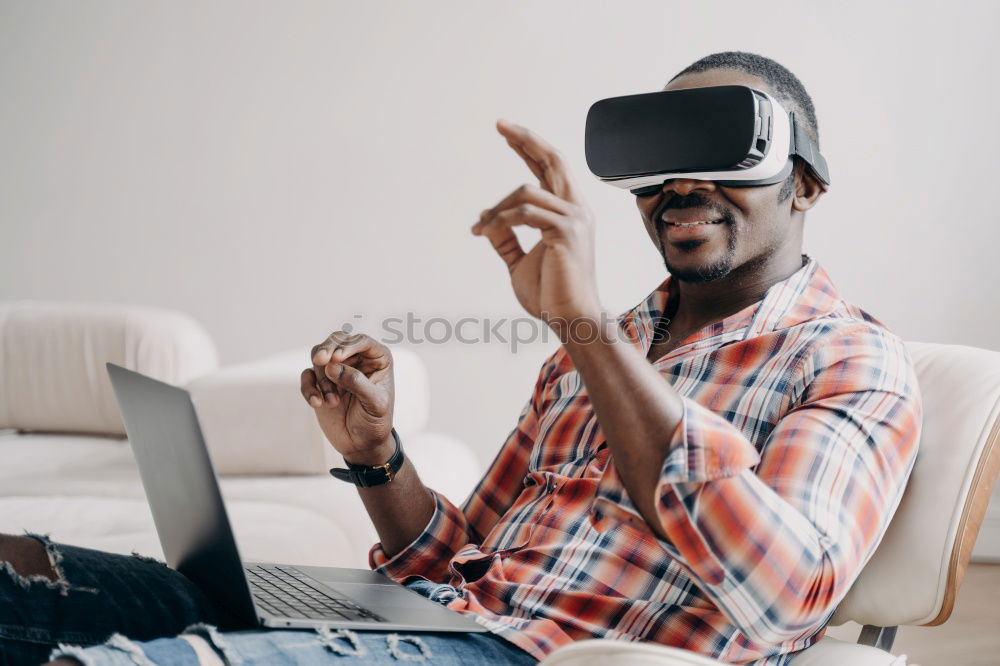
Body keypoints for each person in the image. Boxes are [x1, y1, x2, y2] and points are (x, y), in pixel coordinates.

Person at [0, 51, 921, 666]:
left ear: (802, 181)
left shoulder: (849, 361)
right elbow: (453, 559)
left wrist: (584, 326)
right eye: (662, 159)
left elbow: (787, 594)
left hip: (540, 656)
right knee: (25, 580)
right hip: (443, 629)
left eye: (720, 152)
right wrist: (377, 455)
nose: (681, 184)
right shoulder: (597, 349)